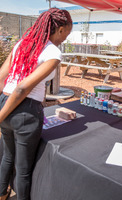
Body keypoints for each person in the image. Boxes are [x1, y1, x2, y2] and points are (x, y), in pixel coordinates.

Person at [0, 8, 72, 200]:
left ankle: (1, 193)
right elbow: (22, 89)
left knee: (7, 155)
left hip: (4, 102)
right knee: (23, 169)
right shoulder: (53, 52)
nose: (65, 39)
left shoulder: (21, 44)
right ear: (61, 29)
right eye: (67, 33)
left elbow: (1, 78)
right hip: (25, 110)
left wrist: (1, 110)